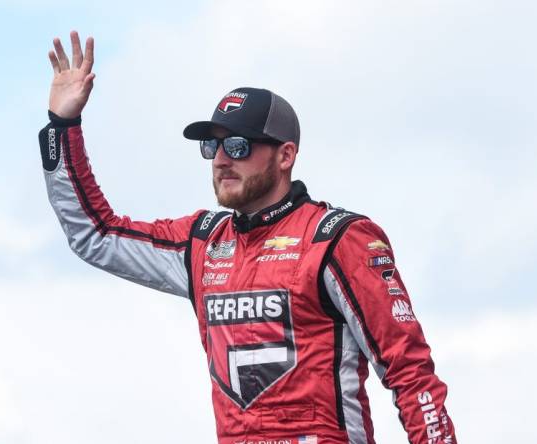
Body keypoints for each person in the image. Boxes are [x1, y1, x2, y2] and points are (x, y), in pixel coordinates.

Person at [38, 31, 457, 444]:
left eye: (237, 146)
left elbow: (410, 372)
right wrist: (63, 125)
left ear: (285, 155)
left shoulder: (337, 239)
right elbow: (95, 233)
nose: (221, 160)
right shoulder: (201, 244)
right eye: (212, 148)